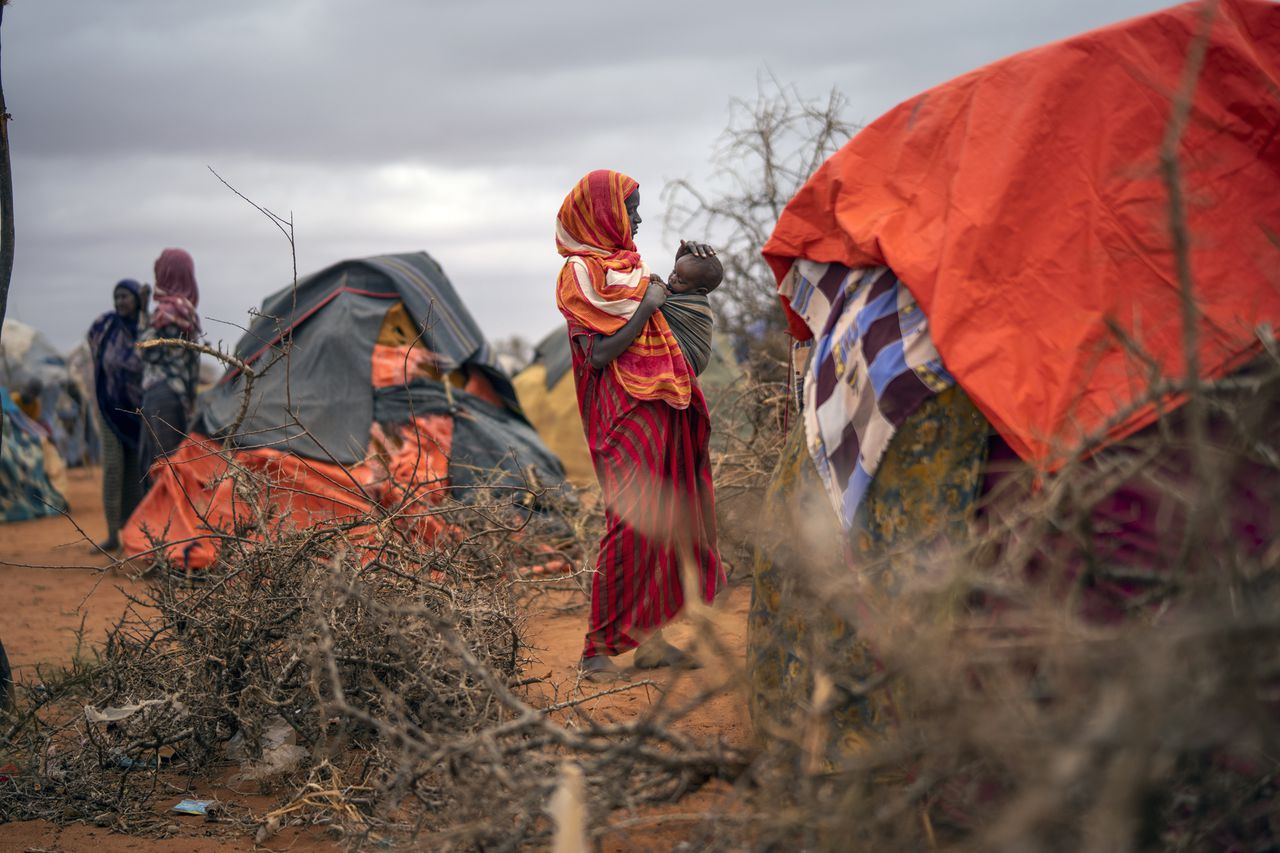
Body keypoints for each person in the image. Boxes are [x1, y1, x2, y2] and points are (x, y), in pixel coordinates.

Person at [554, 169, 725, 680]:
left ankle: (652, 640)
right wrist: (646, 307)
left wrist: (689, 272)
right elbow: (601, 354)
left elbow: (676, 324)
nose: (639, 218)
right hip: (622, 414)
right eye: (631, 209)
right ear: (604, 213)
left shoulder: (632, 269)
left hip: (663, 409)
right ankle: (595, 649)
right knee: (630, 524)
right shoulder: (579, 274)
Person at [87, 278, 146, 551]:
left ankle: (132, 533)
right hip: (109, 408)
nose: (120, 302)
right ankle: (112, 534)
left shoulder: (146, 328)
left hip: (137, 414)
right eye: (117, 296)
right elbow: (95, 348)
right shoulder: (106, 326)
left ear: (137, 299)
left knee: (135, 473)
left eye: (126, 296)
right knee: (113, 468)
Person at [138, 249, 202, 484]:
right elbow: (192, 367)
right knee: (172, 463)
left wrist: (142, 314)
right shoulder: (187, 311)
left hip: (160, 397)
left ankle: (162, 519)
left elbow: (146, 350)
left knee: (161, 468)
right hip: (178, 398)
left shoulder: (165, 312)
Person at [660, 248, 723, 376]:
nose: (672, 278)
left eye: (680, 280)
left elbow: (657, 300)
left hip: (688, 360)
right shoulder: (680, 291)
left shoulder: (696, 309)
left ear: (700, 291)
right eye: (674, 272)